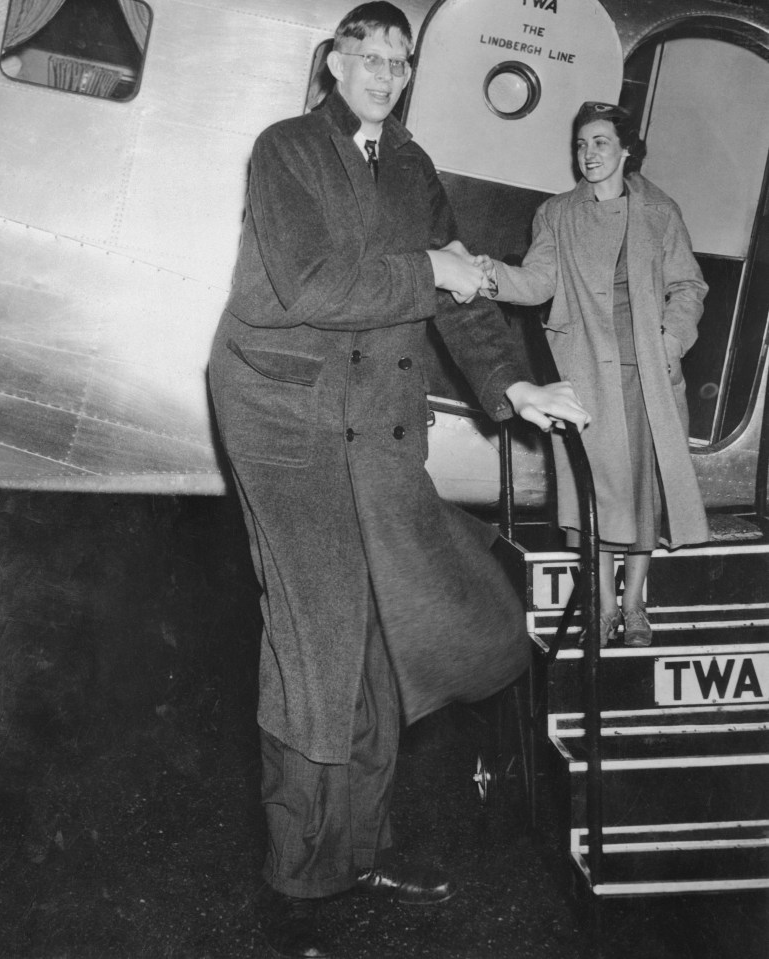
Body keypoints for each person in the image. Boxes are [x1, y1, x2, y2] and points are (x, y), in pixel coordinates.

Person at [208, 5, 589, 956]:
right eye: (364, 55)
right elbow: (310, 285)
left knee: (385, 627)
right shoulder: (286, 149)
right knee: (316, 636)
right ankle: (298, 871)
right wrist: (431, 266)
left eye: (397, 57)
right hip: (284, 421)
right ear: (334, 61)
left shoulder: (411, 166)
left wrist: (514, 385)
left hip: (370, 425)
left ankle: (360, 848)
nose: (382, 70)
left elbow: (457, 298)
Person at [477, 101, 709, 649]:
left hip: (651, 373)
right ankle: (603, 607)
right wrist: (489, 277)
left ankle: (635, 606)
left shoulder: (660, 210)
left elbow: (689, 287)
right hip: (587, 372)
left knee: (642, 490)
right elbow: (536, 283)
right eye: (581, 145)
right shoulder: (557, 214)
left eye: (600, 143)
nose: (589, 155)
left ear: (627, 149)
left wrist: (672, 340)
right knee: (599, 491)